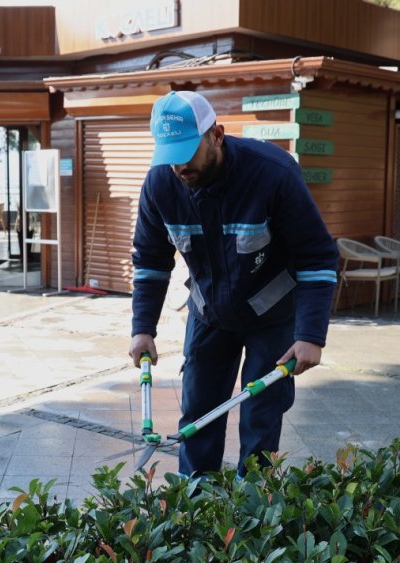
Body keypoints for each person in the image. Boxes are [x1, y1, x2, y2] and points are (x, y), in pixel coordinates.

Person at [128, 90, 339, 477]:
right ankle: (196, 502)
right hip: (209, 314)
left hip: (272, 316)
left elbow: (317, 257)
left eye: (188, 152)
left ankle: (252, 509)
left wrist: (311, 335)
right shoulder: (160, 184)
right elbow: (150, 262)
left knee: (261, 414)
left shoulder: (272, 174)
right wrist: (143, 329)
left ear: (217, 135)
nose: (179, 166)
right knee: (199, 412)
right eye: (170, 154)